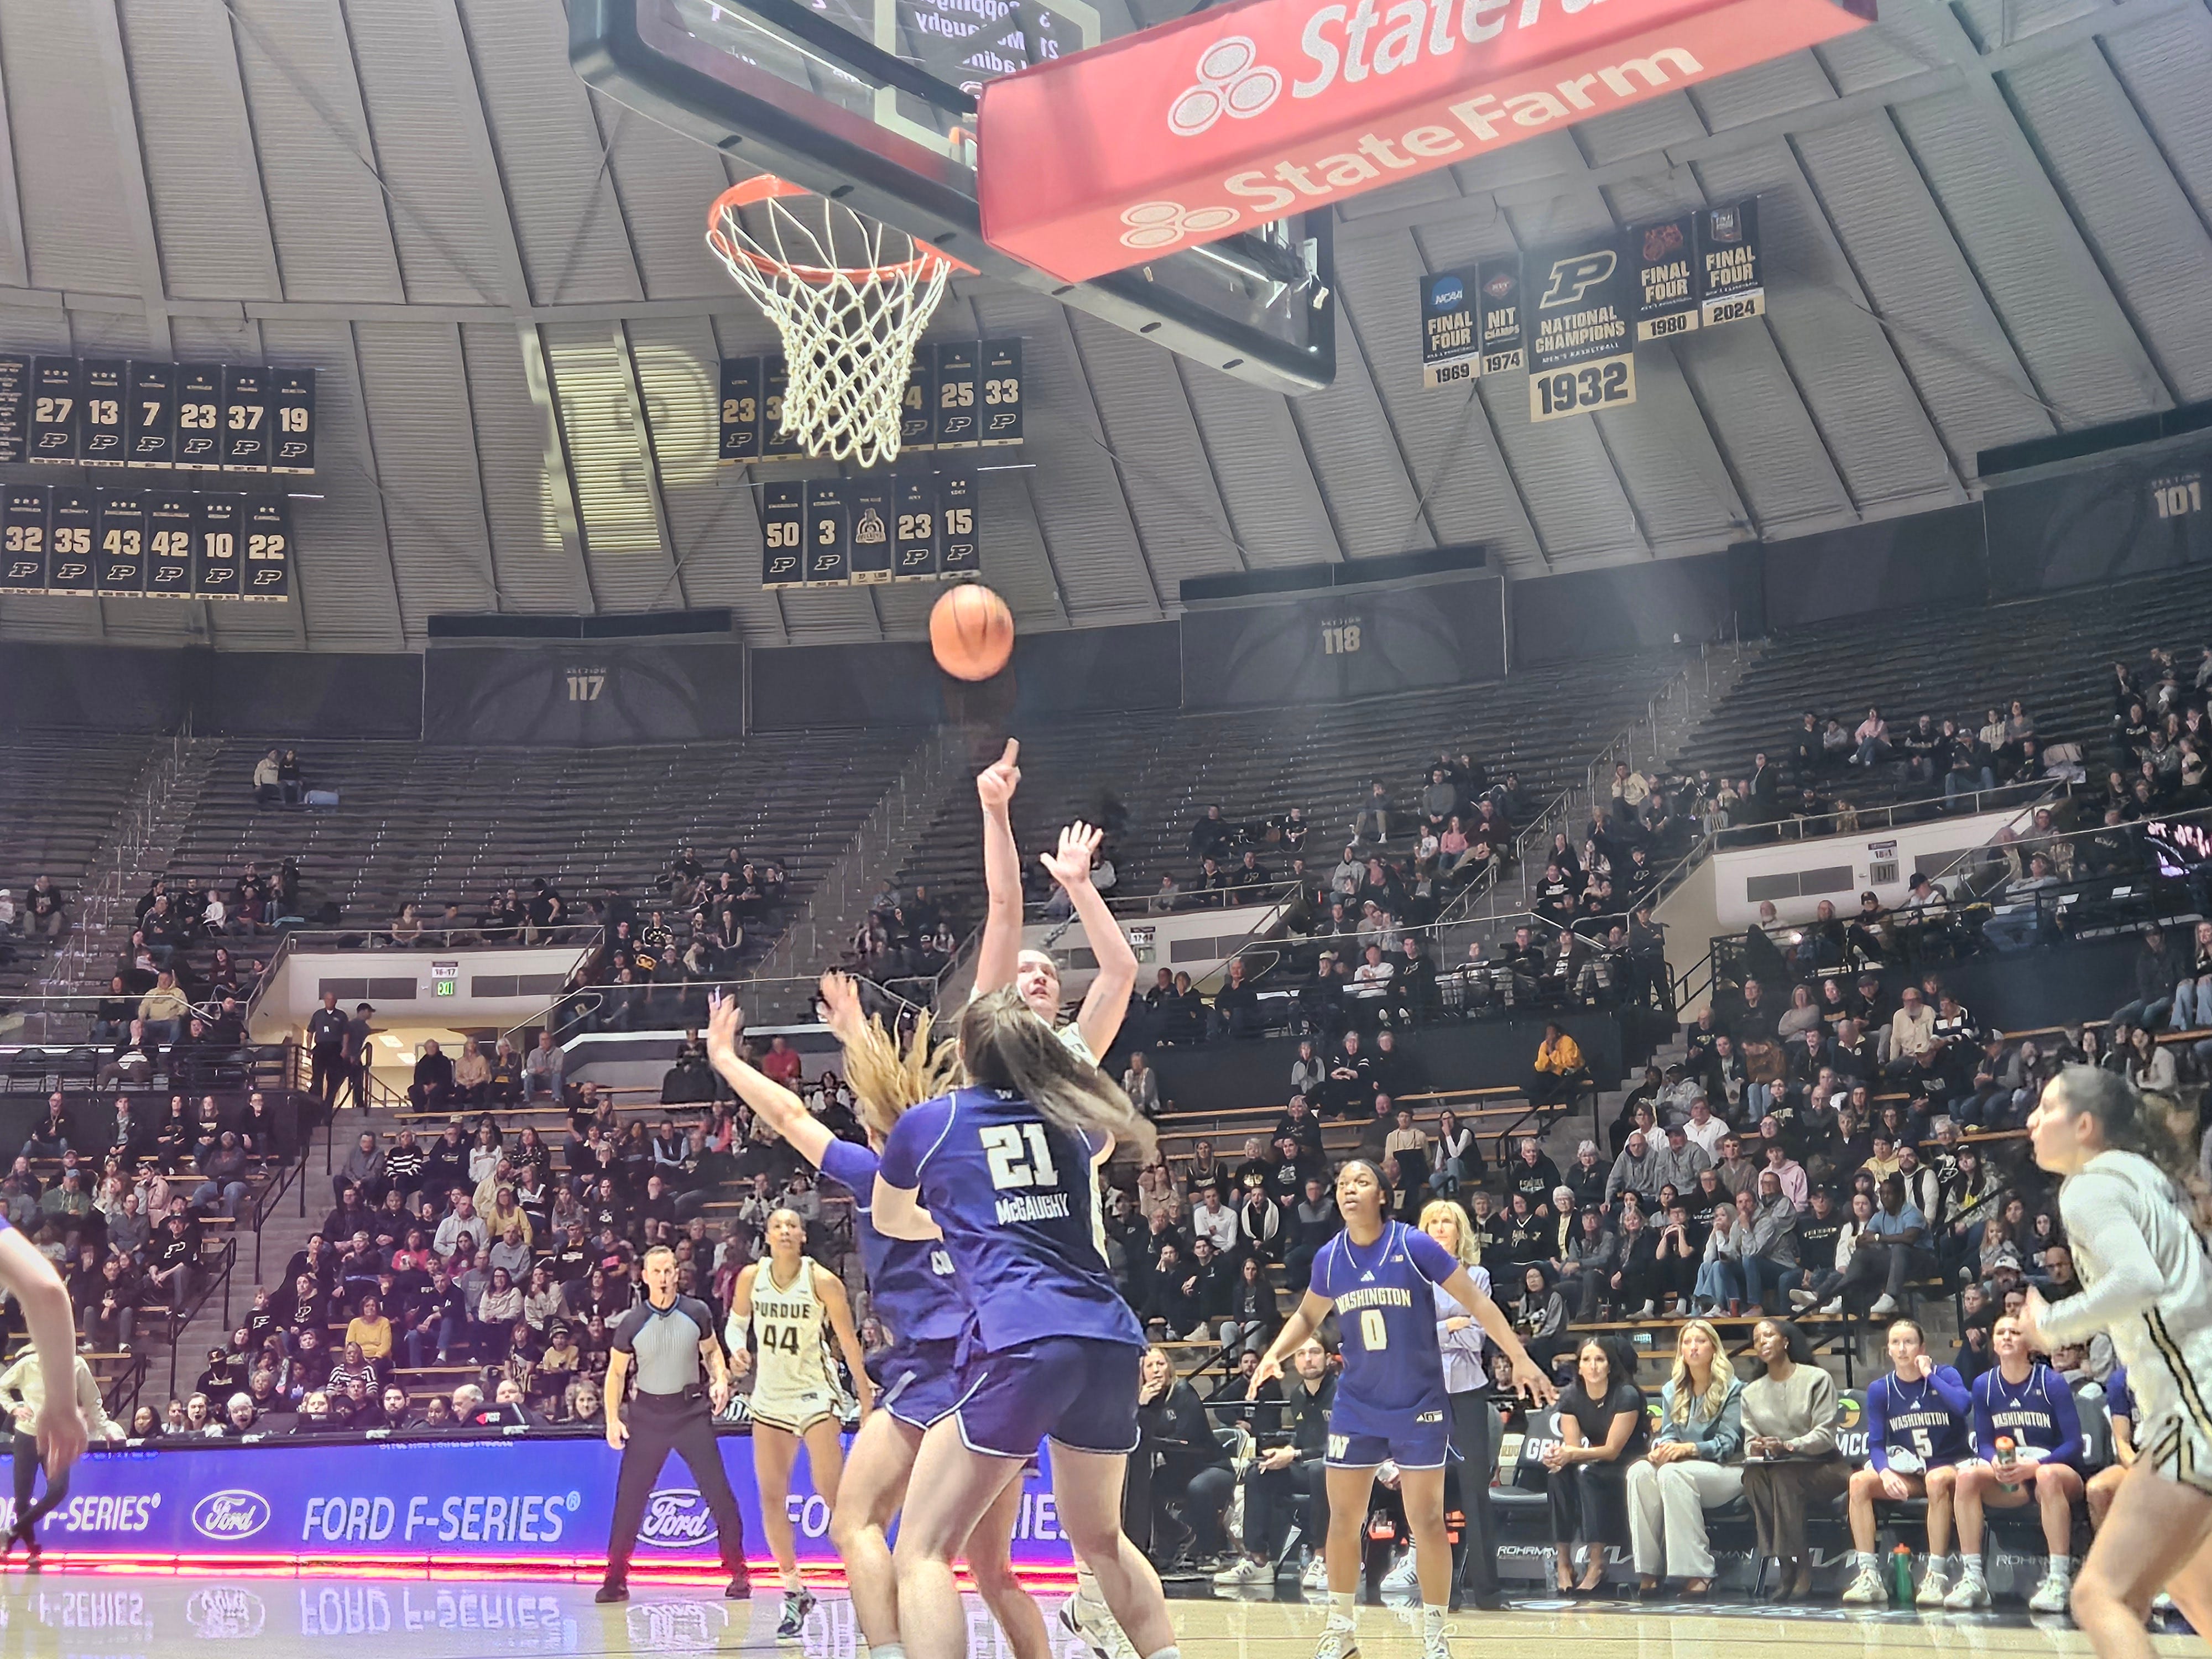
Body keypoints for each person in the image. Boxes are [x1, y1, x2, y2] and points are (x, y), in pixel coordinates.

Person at [704, 981, 1047, 1659]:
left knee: (858, 1524)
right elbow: (898, 1096)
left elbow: (788, 1115)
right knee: (995, 1570)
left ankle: (890, 1649)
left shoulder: (874, 1173)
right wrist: (858, 1032)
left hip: (932, 1372)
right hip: (1004, 1370)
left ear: (873, 1129)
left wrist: (725, 1059)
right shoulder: (971, 1164)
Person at [872, 985, 1174, 1659]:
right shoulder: (1072, 1124)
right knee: (1100, 1540)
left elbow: (890, 1219)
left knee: (922, 1550)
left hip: (1024, 1338)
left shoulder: (931, 1123)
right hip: (1106, 1336)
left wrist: (955, 1221)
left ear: (961, 1055)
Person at [1249, 1160, 1552, 1659]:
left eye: (1361, 1182)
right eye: (1342, 1184)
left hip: (1418, 1403)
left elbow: (1477, 1301)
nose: (1349, 1190)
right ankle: (1342, 1631)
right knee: (1343, 1520)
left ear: (1383, 1195)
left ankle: (1434, 1635)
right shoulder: (1329, 1257)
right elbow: (1308, 1314)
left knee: (1428, 1519)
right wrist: (1274, 1354)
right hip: (1358, 1402)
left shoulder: (1412, 1245)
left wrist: (1518, 1357)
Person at [2018, 1068, 2212, 1652]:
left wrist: (2047, 1325)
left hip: (2193, 1406)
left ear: (2083, 1125)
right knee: (2180, 1585)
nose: (2030, 1120)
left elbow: (2137, 1280)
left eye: (2046, 1107)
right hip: (2185, 1405)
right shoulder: (2143, 1176)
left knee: (2098, 1596)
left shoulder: (2089, 1185)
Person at [728, 1206, 874, 1638]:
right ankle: (794, 1590)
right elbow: (736, 1327)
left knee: (836, 1500)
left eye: (793, 1225)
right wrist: (737, 1350)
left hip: (815, 1394)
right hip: (770, 1398)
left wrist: (866, 1398)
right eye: (778, 1226)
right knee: (772, 1499)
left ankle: (866, 1592)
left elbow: (848, 1342)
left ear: (803, 1236)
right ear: (768, 1236)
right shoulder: (751, 1278)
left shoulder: (823, 1281)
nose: (786, 1231)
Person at [597, 1246, 750, 1603]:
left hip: (690, 1413)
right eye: (657, 1272)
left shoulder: (697, 1312)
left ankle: (739, 1572)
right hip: (648, 1416)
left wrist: (720, 1378)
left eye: (670, 1271)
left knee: (720, 1495)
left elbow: (712, 1352)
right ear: (645, 1276)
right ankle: (615, 1579)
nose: (664, 1278)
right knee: (629, 1502)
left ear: (677, 1274)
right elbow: (616, 1373)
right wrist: (611, 1419)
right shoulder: (632, 1322)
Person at [1945, 1312, 2084, 1611]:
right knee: (1967, 1477)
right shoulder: (1984, 1385)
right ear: (1993, 1344)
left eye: (2015, 1332)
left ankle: (2059, 1579)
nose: (2007, 1337)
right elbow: (1983, 1442)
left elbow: (2074, 1445)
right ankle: (1974, 1579)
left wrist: (2035, 1466)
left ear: (2029, 1343)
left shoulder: (2052, 1383)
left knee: (2047, 1477)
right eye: (2001, 1333)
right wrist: (1995, 1462)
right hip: (2014, 1480)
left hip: (2057, 1473)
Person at [1839, 1319, 1971, 1605]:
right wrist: (1885, 1472)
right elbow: (1875, 1443)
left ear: (1922, 1347)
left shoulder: (1946, 1375)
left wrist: (1929, 1375)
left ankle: (1936, 1576)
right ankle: (1868, 1575)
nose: (1902, 1349)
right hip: (1912, 1473)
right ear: (1888, 1350)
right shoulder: (1880, 1389)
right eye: (1896, 1343)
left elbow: (1963, 1406)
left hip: (1949, 1466)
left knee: (1937, 1480)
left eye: (1909, 1342)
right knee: (1859, 1482)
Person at [1416, 1198, 1506, 1608]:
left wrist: (1440, 1331)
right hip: (1426, 1392)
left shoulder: (1478, 1276)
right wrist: (1451, 1325)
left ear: (1459, 1231)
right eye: (1432, 1222)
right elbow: (1411, 1338)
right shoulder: (1412, 1278)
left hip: (1468, 1391)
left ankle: (1488, 1591)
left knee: (1474, 1491)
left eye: (1446, 1222)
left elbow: (1477, 1337)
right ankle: (1440, 1590)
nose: (1439, 1228)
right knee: (1432, 1493)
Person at [1625, 1318, 1744, 1597]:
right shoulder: (1672, 1390)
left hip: (1727, 1471)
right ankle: (1649, 1571)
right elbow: (1668, 1433)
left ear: (1714, 1349)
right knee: (1639, 1472)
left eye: (1700, 1342)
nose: (1693, 1348)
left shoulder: (1734, 1389)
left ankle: (1699, 1572)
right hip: (1684, 1470)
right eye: (1687, 1342)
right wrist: (1663, 1448)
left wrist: (1688, 1449)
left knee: (1672, 1473)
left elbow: (1728, 1444)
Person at [1213, 1335, 1336, 1593]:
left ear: (1327, 1358)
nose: (1308, 1359)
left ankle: (1321, 1558)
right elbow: (1302, 1440)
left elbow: (1341, 1444)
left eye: (1314, 1352)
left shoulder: (1342, 1393)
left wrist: (1295, 1454)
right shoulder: (1298, 1396)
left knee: (1319, 1470)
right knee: (1259, 1471)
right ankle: (1258, 1560)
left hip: (1341, 1469)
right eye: (1301, 1354)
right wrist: (1285, 1452)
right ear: (1294, 1361)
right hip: (1306, 1463)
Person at [1737, 1318, 1848, 1599]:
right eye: (1757, 1338)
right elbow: (1750, 1441)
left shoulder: (1816, 1379)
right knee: (1752, 1476)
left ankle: (1804, 1566)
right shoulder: (1750, 1393)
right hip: (1777, 1468)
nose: (1762, 1341)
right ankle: (1785, 1565)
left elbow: (1825, 1435)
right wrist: (1758, 1448)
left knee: (1784, 1477)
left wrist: (1789, 1445)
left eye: (1769, 1336)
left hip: (1824, 1466)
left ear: (1786, 1341)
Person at [1544, 1335, 1647, 1593]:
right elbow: (1574, 1448)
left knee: (1588, 1474)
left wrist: (1571, 1455)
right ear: (1578, 1366)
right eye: (1587, 1360)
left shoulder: (1626, 1394)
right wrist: (1558, 1456)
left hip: (1628, 1463)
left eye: (1600, 1360)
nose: (1593, 1366)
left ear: (1610, 1366)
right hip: (1592, 1459)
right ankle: (1564, 1563)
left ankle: (1597, 1564)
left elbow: (1613, 1451)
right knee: (1558, 1474)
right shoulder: (1571, 1398)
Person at [0, 1350, 124, 1559]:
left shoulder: (77, 1366)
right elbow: (2, 1386)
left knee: (59, 1489)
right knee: (22, 1498)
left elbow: (93, 1401)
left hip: (57, 1437)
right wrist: (13, 1407)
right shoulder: (28, 1364)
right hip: (27, 1435)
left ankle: (10, 1532)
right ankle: (31, 1549)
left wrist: (105, 1429)